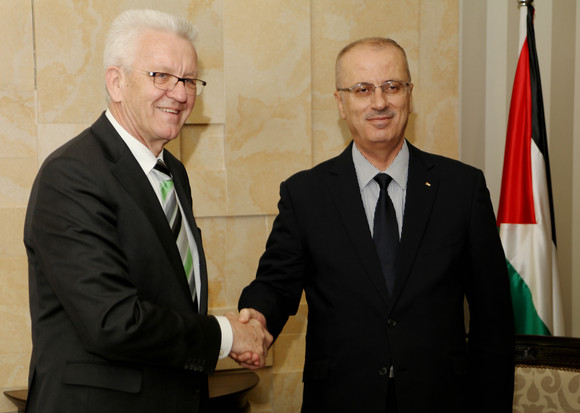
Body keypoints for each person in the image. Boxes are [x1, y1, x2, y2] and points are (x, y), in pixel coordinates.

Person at [235, 37, 514, 412]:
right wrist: (257, 317)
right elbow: (277, 282)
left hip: (442, 398)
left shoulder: (462, 188)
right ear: (340, 102)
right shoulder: (306, 194)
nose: (379, 102)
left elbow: (493, 316)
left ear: (409, 95)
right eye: (362, 89)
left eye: (392, 87)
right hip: (341, 399)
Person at [23, 9, 271, 413]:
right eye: (160, 76)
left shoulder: (173, 172)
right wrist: (225, 335)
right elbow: (112, 322)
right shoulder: (71, 175)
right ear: (116, 82)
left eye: (189, 80)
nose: (179, 93)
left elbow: (169, 298)